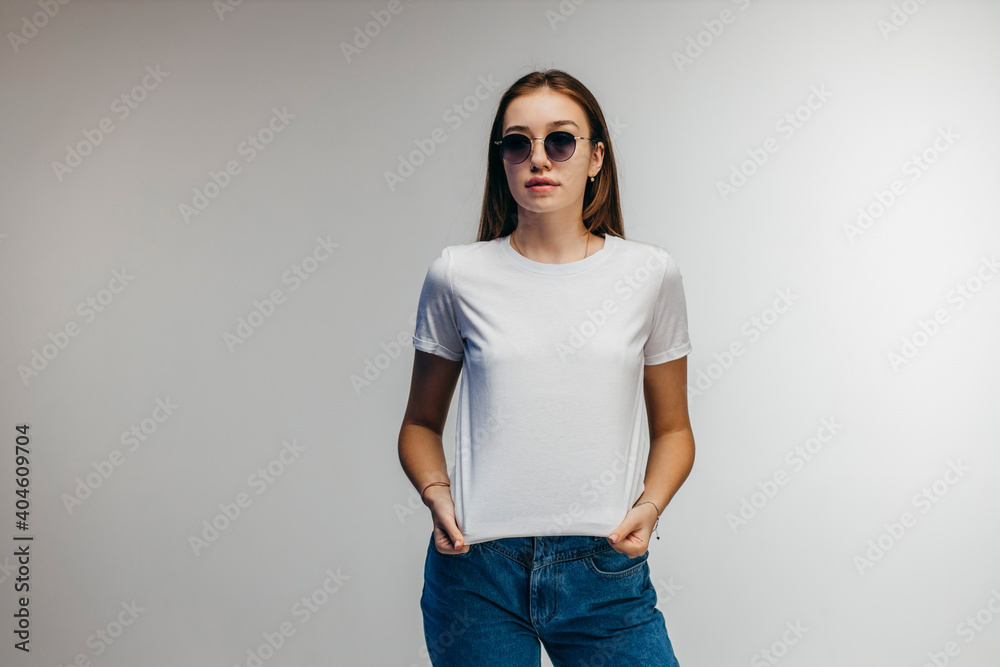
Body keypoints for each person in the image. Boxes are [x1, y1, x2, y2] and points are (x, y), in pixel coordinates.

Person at [398, 69, 694, 666]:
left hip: (604, 571)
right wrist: (436, 495)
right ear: (502, 160)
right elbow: (419, 424)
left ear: (595, 159)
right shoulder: (457, 275)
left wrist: (650, 507)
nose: (539, 159)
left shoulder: (650, 274)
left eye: (560, 141)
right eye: (517, 143)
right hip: (477, 571)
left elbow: (674, 430)